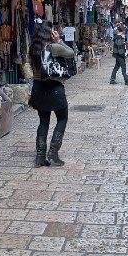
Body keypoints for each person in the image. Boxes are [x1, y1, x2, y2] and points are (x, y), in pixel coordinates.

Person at [28, 21, 76, 167]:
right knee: (62, 118)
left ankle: (40, 156)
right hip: (54, 88)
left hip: (38, 88)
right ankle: (53, 153)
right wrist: (59, 41)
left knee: (43, 121)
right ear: (49, 33)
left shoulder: (33, 49)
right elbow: (71, 52)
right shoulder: (53, 47)